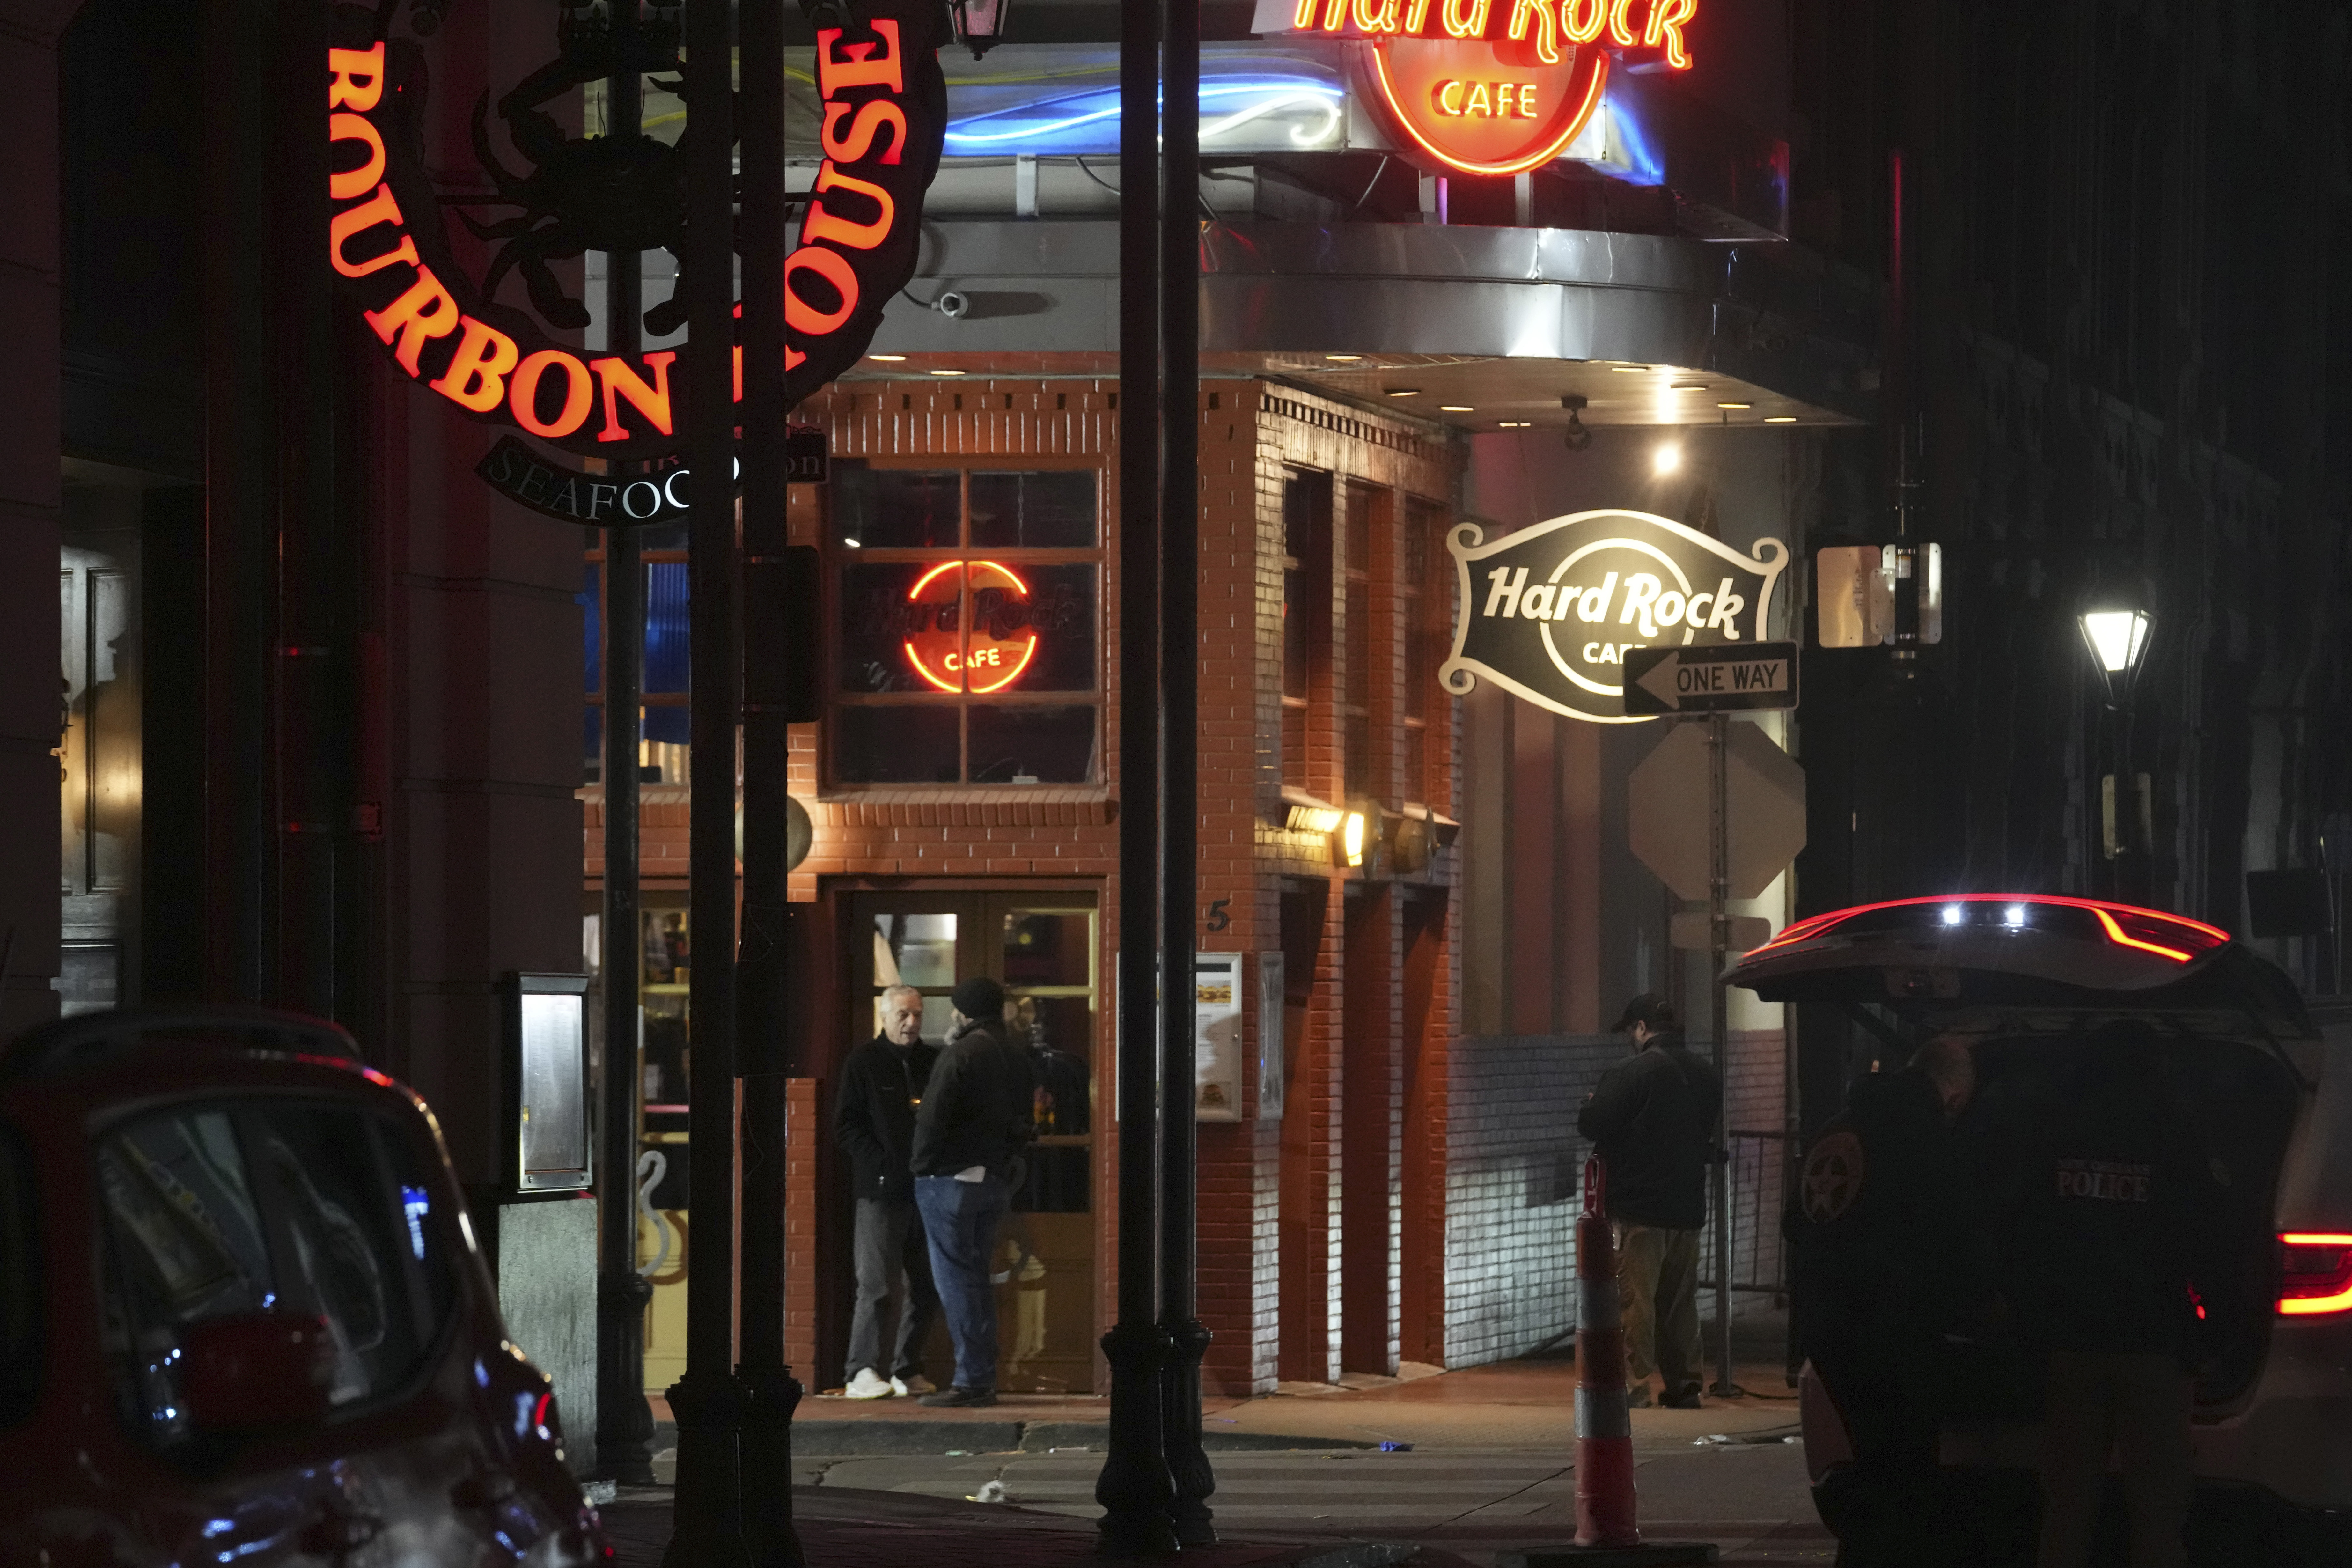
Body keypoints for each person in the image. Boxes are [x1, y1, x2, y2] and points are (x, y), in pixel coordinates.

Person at [2005, 1020, 2221, 1568]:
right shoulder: (2171, 1134)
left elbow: (2023, 1234)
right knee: (2159, 1510)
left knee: (2067, 1507)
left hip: (2070, 1344)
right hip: (2151, 1344)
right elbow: (2205, 1236)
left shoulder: (2052, 1135)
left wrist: (2027, 1322)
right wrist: (2212, 1330)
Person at [1785, 1034, 1987, 1568]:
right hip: (1893, 1331)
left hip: (1829, 1329)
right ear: (1953, 1096)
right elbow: (1959, 1237)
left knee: (1873, 1463)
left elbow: (1795, 1221)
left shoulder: (1838, 1128)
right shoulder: (1924, 1138)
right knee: (1903, 1473)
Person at [1578, 993, 1722, 1409]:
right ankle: (1685, 1385)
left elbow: (1594, 1123)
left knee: (1635, 1305)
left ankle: (1634, 1388)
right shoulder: (1706, 1073)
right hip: (1688, 1207)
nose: (1629, 1038)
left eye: (1629, 1030)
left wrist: (1588, 1105)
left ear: (1641, 1027)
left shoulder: (1632, 1073)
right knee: (1681, 1304)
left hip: (1639, 1209)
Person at [909, 975, 1035, 1408]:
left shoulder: (961, 1053)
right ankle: (981, 1375)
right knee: (976, 1278)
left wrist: (921, 1167)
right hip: (993, 1179)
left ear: (962, 1011)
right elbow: (1023, 1120)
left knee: (957, 1281)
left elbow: (933, 1116)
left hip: (950, 1178)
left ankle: (971, 1379)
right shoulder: (1016, 1056)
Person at [831, 983, 941, 1400]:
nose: (912, 1023)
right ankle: (861, 1369)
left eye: (917, 1014)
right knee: (876, 1285)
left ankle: (906, 1366)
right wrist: (885, 1164)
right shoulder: (864, 1063)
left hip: (927, 1192)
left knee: (928, 1286)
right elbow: (846, 1127)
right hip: (880, 1193)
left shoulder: (933, 1061)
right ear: (884, 1016)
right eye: (903, 1015)